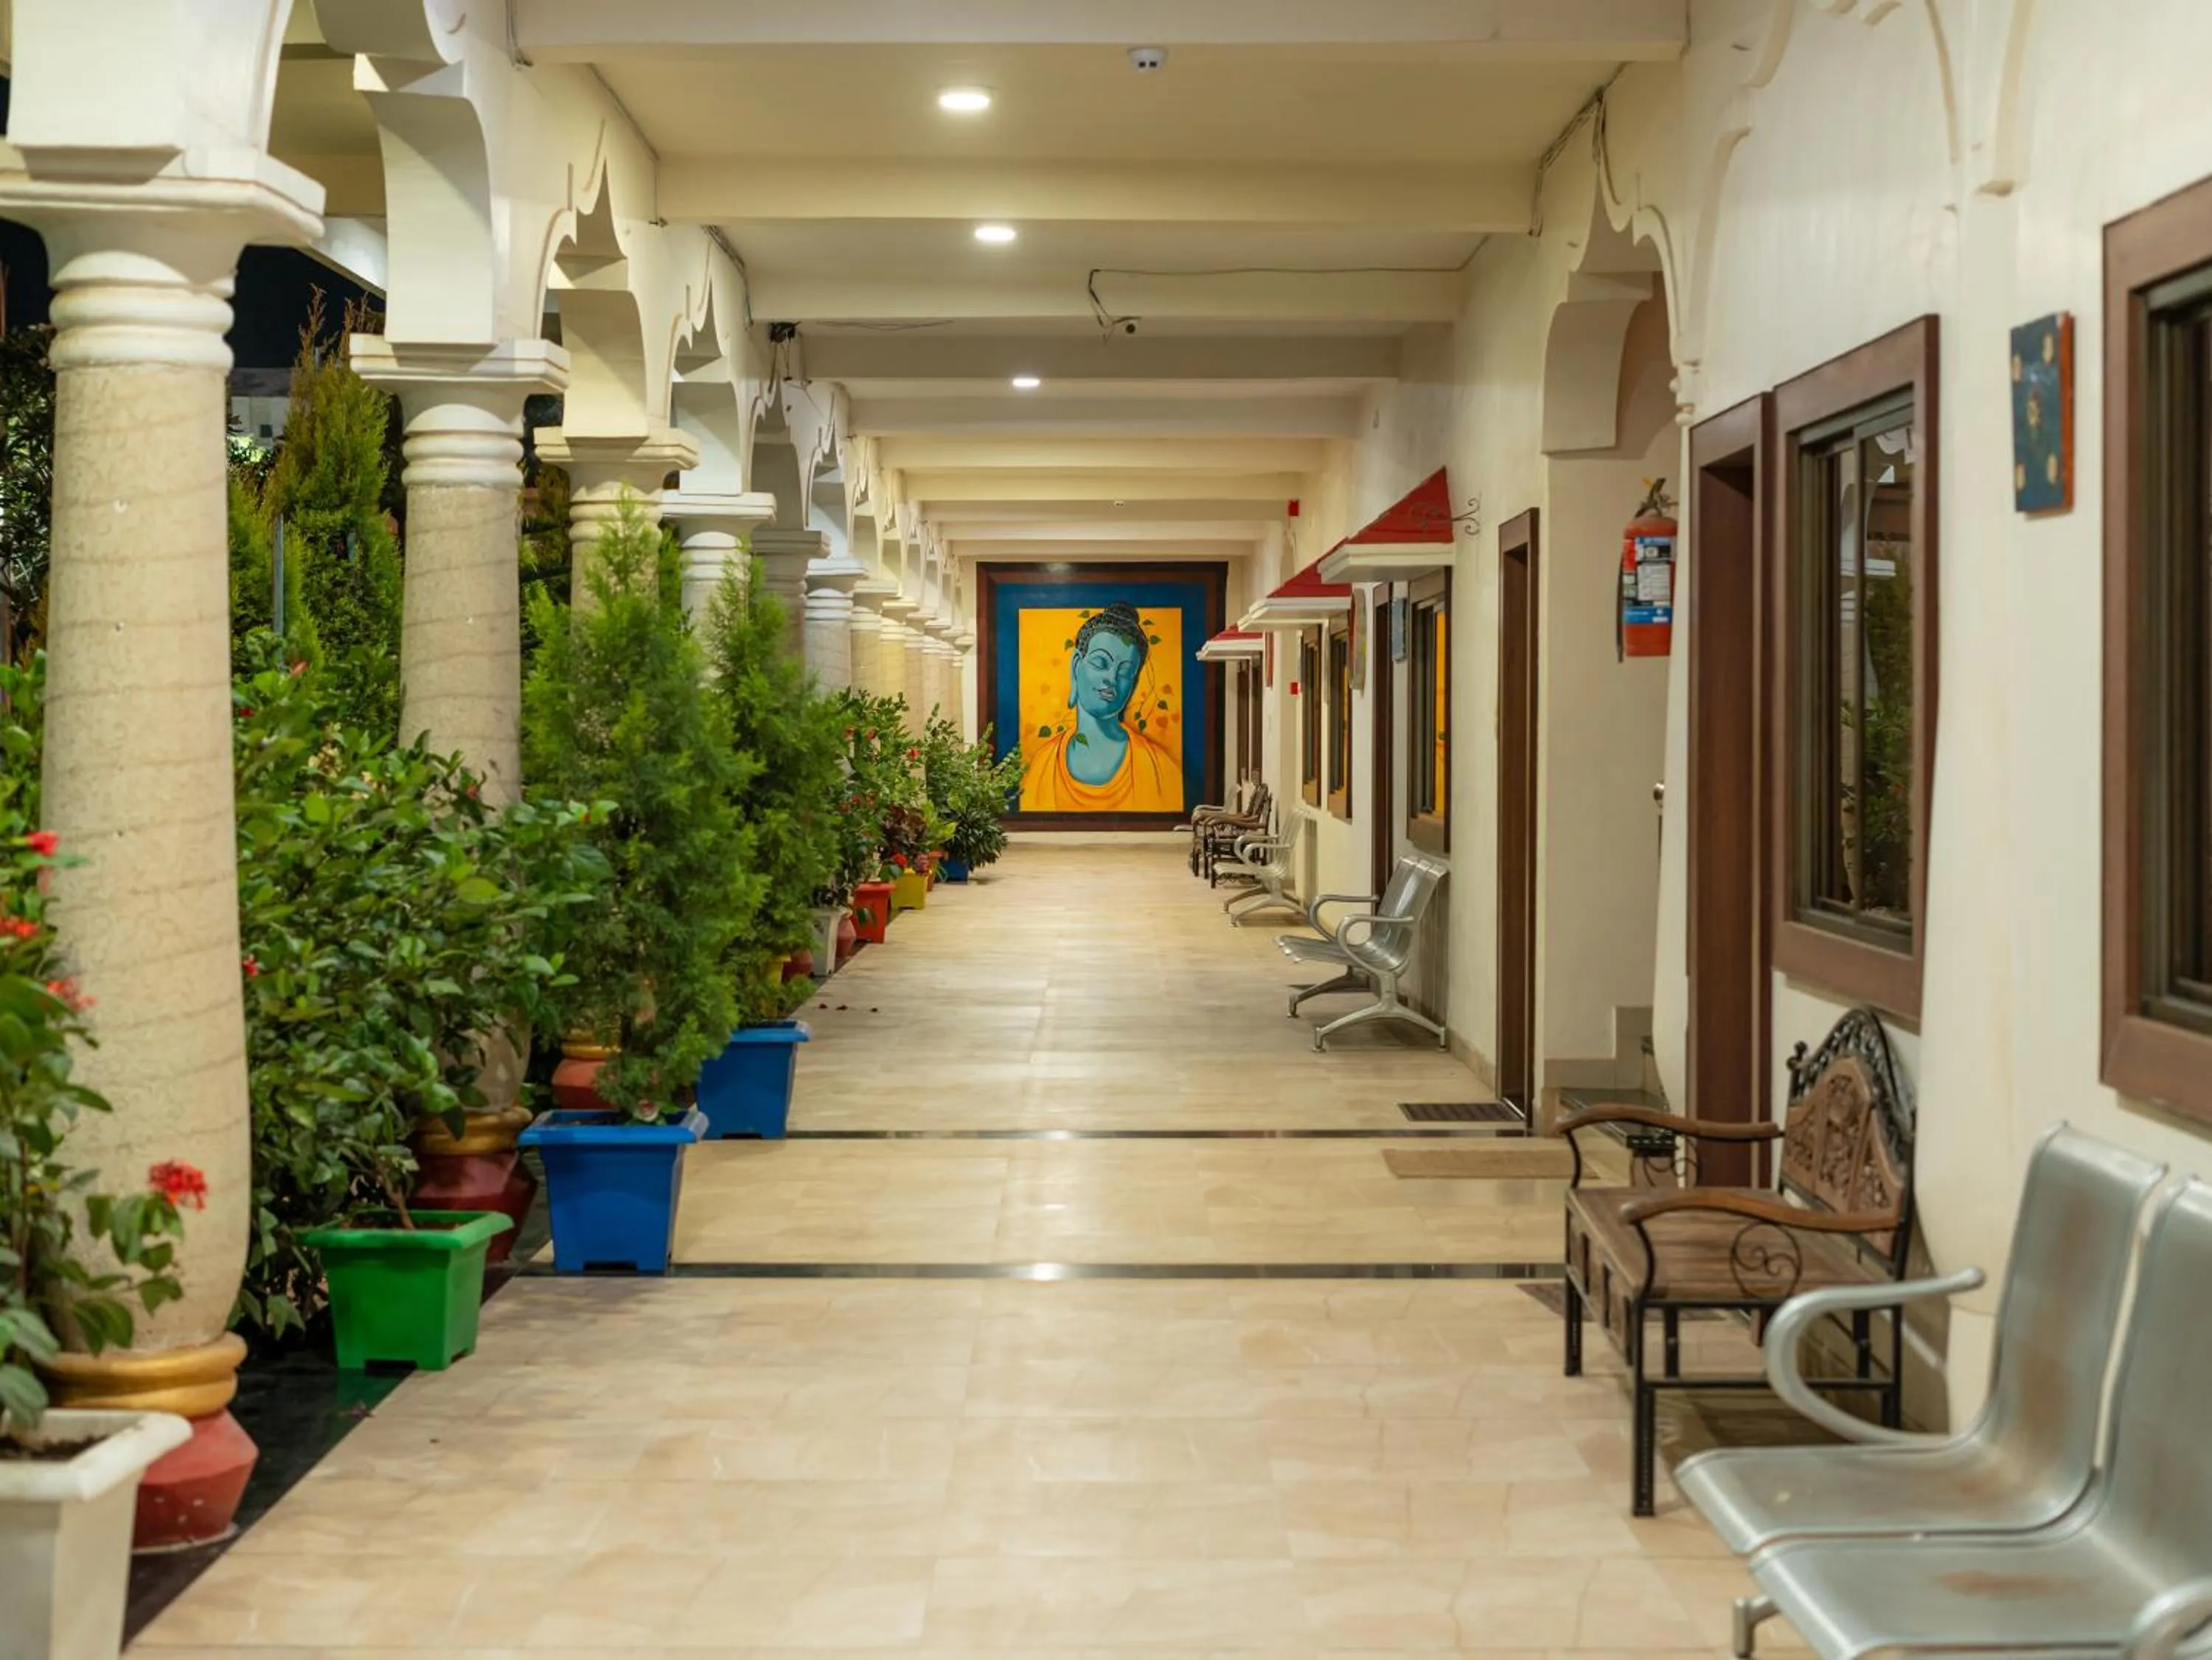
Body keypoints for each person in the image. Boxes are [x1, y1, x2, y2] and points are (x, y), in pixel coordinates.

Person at [1020, 601, 1184, 812]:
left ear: (1133, 684)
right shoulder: (1043, 766)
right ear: (1076, 666)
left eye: (1125, 671)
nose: (1111, 679)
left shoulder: (1159, 769)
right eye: (1100, 663)